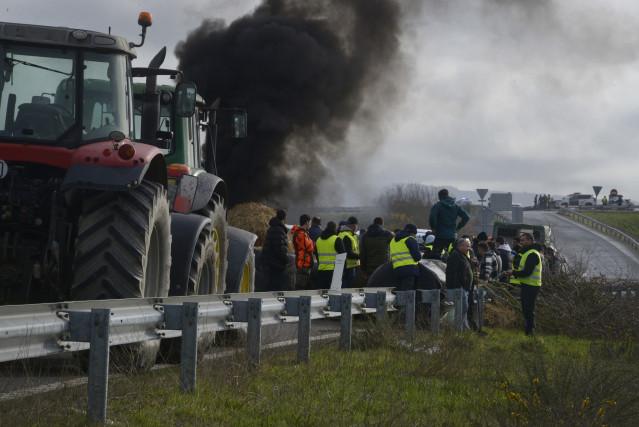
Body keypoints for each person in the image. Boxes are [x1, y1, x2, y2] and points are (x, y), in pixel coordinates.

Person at [505, 232, 542, 336]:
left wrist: (514, 273)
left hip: (532, 286)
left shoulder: (532, 254)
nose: (521, 242)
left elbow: (527, 272)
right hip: (527, 284)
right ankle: (530, 331)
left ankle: (531, 332)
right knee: (526, 309)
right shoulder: (527, 252)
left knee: (529, 309)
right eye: (520, 240)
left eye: (523, 240)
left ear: (529, 241)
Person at [429, 189, 470, 256]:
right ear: (448, 195)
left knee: (435, 257)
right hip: (452, 236)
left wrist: (433, 227)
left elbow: (432, 217)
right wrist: (458, 228)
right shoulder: (456, 206)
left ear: (439, 197)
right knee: (453, 256)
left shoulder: (438, 205)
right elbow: (466, 216)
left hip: (440, 235)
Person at [445, 238, 473, 330]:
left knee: (463, 310)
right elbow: (452, 273)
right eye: (468, 246)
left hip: (463, 289)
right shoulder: (455, 256)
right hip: (458, 289)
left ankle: (465, 330)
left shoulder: (462, 255)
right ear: (461, 246)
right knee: (461, 309)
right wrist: (459, 286)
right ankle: (458, 331)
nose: (469, 248)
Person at [261, 209, 290, 291]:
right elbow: (279, 248)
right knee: (276, 286)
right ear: (284, 217)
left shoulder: (274, 228)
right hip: (275, 262)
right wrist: (286, 260)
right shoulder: (279, 230)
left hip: (271, 261)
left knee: (271, 284)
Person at [389, 223, 422, 291]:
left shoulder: (393, 240)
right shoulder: (410, 239)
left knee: (400, 292)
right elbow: (417, 257)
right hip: (410, 270)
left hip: (397, 270)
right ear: (412, 233)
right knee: (408, 294)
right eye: (414, 234)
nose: (415, 236)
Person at [360, 217, 394, 281]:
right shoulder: (388, 234)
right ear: (382, 224)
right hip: (384, 266)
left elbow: (362, 254)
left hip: (370, 268)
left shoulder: (365, 236)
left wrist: (363, 269)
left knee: (371, 287)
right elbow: (396, 245)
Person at [314, 221, 346, 289]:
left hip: (321, 271)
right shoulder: (337, 239)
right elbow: (343, 257)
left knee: (323, 294)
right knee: (334, 295)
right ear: (335, 229)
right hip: (334, 272)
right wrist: (343, 271)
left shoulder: (318, 240)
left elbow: (317, 256)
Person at [291, 214, 315, 290]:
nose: (310, 226)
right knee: (301, 288)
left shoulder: (302, 233)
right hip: (302, 265)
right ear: (307, 222)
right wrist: (311, 243)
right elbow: (310, 247)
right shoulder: (301, 234)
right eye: (310, 223)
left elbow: (311, 244)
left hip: (304, 264)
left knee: (304, 287)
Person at [339, 216, 361, 288]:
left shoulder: (342, 234)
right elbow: (348, 253)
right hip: (349, 267)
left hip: (343, 265)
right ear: (354, 225)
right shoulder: (347, 236)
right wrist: (360, 256)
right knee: (346, 287)